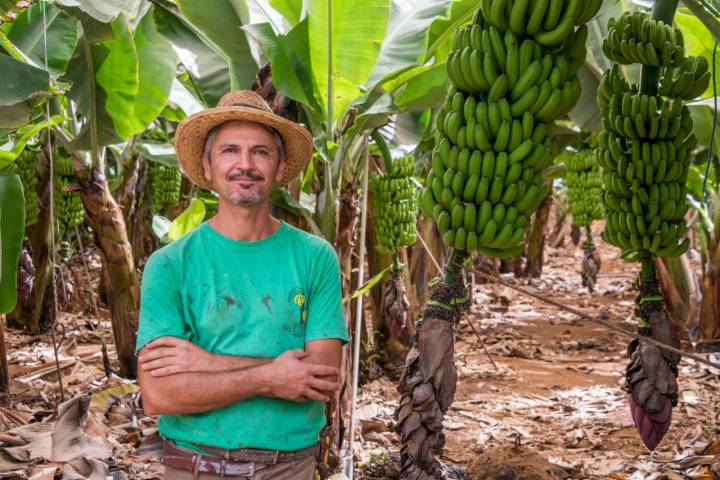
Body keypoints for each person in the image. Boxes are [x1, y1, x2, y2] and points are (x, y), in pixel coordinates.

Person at [136, 91, 349, 479]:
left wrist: (207, 364)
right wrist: (272, 376)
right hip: (193, 467)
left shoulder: (315, 257)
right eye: (230, 150)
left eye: (261, 153)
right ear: (207, 165)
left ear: (281, 168)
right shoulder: (169, 265)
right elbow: (160, 394)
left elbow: (320, 379)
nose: (245, 165)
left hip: (288, 469)